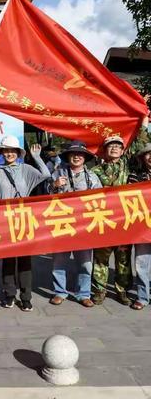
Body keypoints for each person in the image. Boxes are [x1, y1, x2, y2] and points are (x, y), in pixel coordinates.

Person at [91, 115, 150, 306]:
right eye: (111, 146)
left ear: (122, 150)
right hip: (104, 219)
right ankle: (99, 290)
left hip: (126, 220)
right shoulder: (95, 172)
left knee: (123, 257)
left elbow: (140, 144)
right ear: (105, 151)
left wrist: (144, 123)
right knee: (101, 258)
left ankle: (122, 290)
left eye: (118, 146)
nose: (115, 148)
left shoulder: (128, 165)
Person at [0, 135, 50, 312]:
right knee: (8, 260)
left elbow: (46, 175)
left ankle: (26, 297)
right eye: (6, 150)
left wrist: (37, 158)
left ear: (18, 153)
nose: (9, 153)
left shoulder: (25, 169)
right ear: (2, 152)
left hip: (23, 219)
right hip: (4, 219)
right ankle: (9, 294)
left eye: (12, 151)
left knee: (25, 260)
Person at [48, 141, 102, 308]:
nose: (77, 156)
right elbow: (45, 199)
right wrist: (54, 186)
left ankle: (83, 294)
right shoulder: (57, 173)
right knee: (59, 261)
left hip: (84, 226)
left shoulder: (92, 177)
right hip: (62, 223)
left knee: (85, 263)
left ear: (84, 157)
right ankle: (60, 292)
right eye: (73, 154)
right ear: (68, 156)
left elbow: (100, 199)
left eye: (80, 154)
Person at [128, 143, 151, 310]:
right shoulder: (135, 176)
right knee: (142, 263)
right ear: (143, 158)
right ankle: (143, 296)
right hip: (142, 227)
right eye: (148, 154)